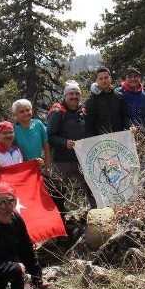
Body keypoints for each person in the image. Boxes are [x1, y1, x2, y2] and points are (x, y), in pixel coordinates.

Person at [47, 80, 95, 210]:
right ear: (65, 96)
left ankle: (97, 215)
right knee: (59, 193)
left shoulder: (83, 111)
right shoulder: (57, 112)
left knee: (92, 189)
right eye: (71, 94)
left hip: (83, 159)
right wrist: (64, 142)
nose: (74, 96)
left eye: (77, 93)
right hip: (62, 161)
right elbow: (49, 136)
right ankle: (61, 221)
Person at [85, 67, 131, 136]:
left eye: (106, 77)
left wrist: (129, 127)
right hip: (100, 142)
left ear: (110, 78)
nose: (104, 81)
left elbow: (125, 116)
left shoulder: (119, 97)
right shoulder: (91, 101)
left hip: (120, 140)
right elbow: (89, 125)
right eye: (101, 79)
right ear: (97, 81)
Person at [12, 99, 51, 168]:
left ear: (31, 111)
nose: (26, 113)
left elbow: (46, 147)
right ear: (16, 114)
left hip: (38, 166)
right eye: (22, 111)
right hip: (22, 168)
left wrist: (47, 167)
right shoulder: (13, 129)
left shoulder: (38, 124)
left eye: (28, 110)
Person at [115, 67, 145, 132]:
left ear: (140, 78)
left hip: (144, 132)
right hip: (124, 133)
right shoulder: (118, 92)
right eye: (129, 77)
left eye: (135, 76)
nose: (133, 79)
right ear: (125, 78)